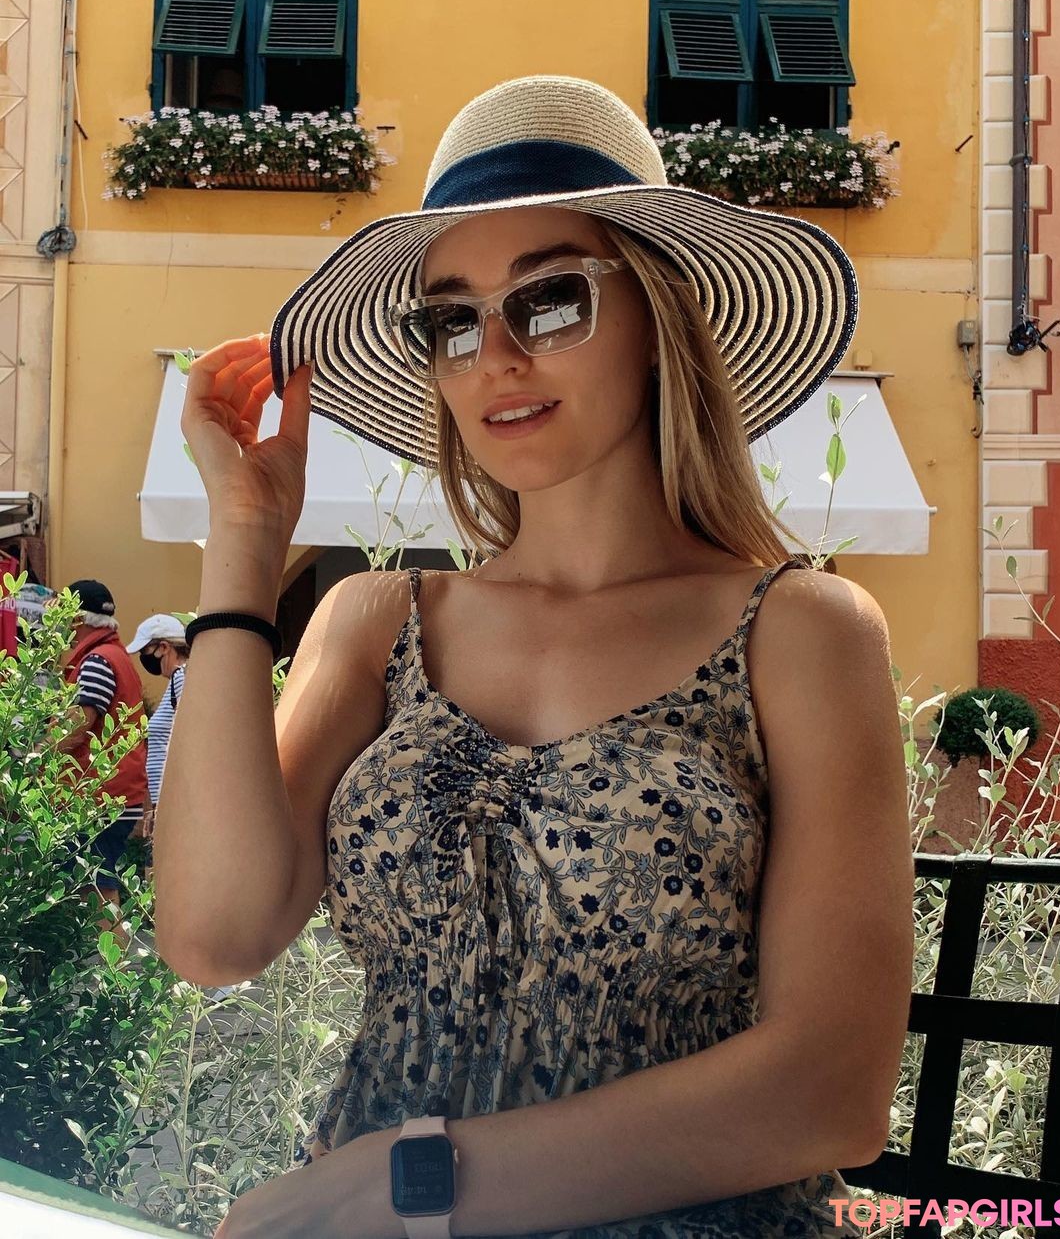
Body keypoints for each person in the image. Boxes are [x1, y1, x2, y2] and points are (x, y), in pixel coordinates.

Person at [156, 76, 914, 1239]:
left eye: (551, 299)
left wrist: (405, 1183)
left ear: (658, 317)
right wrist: (246, 542)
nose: (495, 355)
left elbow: (831, 1090)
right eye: (452, 321)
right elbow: (215, 936)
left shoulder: (803, 630)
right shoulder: (373, 622)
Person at [56, 579, 148, 943]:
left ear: (77, 618)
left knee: (97, 887)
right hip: (118, 790)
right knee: (97, 883)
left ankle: (116, 968)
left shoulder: (96, 661)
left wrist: (39, 755)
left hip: (99, 793)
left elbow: (81, 722)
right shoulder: (116, 656)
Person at [126, 613, 189, 877]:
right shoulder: (176, 682)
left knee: (162, 876)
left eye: (146, 651)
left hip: (173, 802)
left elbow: (185, 736)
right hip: (164, 801)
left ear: (164, 647)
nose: (144, 659)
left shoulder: (182, 678)